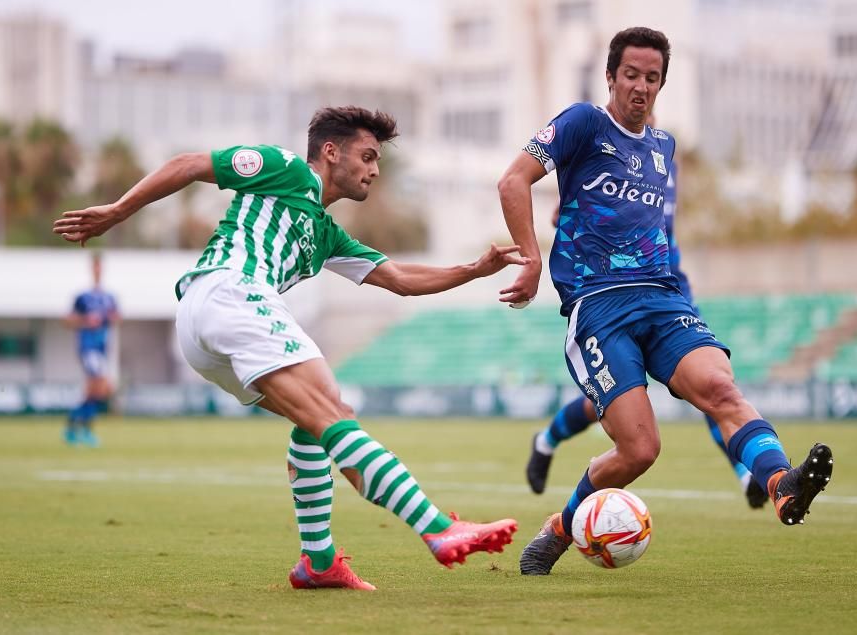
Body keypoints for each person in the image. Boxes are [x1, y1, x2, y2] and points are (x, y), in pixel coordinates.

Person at [54, 106, 522, 591]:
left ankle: (319, 563)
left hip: (207, 323)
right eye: (366, 156)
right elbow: (191, 163)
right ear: (330, 151)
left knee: (324, 413)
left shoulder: (326, 234)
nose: (374, 169)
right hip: (229, 290)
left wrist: (471, 270)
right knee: (333, 414)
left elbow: (400, 279)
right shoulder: (287, 168)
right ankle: (437, 528)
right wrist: (117, 211)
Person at [496, 27, 833, 576]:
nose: (641, 88)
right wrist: (533, 261)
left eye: (652, 79)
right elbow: (513, 181)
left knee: (721, 387)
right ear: (611, 77)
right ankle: (561, 527)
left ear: (662, 85)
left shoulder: (663, 148)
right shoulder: (584, 121)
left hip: (662, 296)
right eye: (631, 75)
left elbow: (637, 219)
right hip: (599, 307)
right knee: (640, 451)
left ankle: (780, 484)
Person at [526, 129, 769, 510]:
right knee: (613, 410)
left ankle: (747, 474)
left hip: (668, 291)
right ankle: (547, 440)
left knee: (711, 386)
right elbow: (569, 207)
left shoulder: (664, 157)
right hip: (613, 295)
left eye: (651, 81)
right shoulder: (601, 148)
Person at [64, 252, 119, 447]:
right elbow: (68, 320)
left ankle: (73, 427)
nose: (97, 270)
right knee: (101, 386)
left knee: (96, 391)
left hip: (102, 348)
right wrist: (86, 321)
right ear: (91, 269)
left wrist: (108, 319)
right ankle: (83, 430)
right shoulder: (83, 297)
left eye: (100, 267)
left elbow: (116, 317)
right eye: (95, 267)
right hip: (88, 348)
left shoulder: (109, 297)